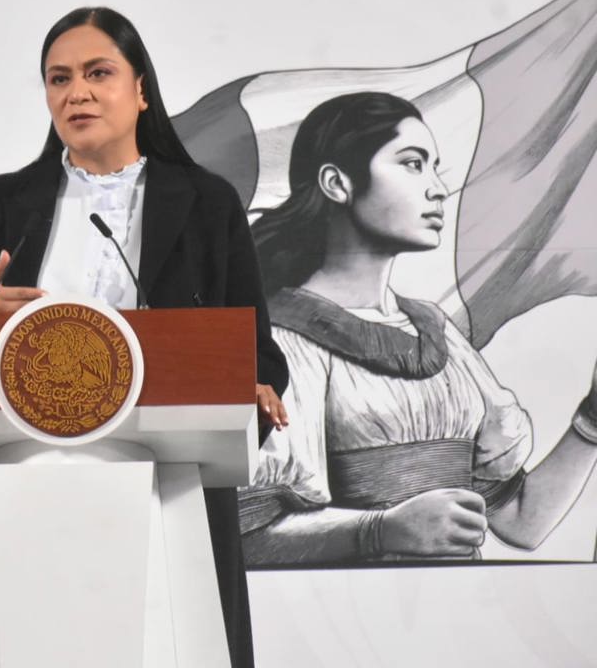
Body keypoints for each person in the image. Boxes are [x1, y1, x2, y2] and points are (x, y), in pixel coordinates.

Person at [0, 7, 290, 667]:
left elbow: (258, 352)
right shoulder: (3, 207)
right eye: (58, 78)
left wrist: (252, 391)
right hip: (22, 488)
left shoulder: (207, 205)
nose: (77, 93)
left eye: (99, 73)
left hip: (166, 488)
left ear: (142, 90)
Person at [239, 91, 597, 564]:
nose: (437, 188)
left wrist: (592, 418)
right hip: (342, 619)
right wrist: (380, 530)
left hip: (457, 615)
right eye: (412, 164)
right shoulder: (280, 339)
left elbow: (521, 522)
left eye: (434, 166)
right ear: (336, 183)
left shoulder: (438, 333)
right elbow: (248, 535)